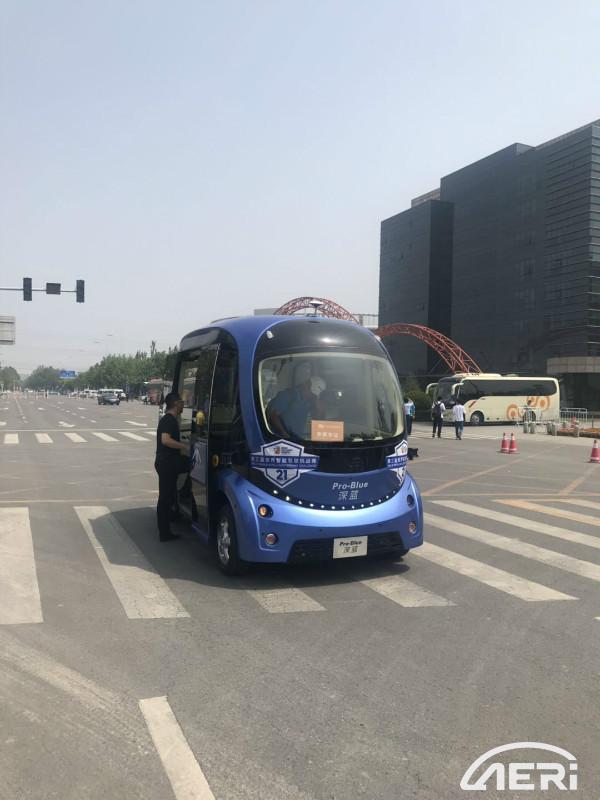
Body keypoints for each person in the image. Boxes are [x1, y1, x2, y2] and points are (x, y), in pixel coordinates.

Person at [155, 392, 187, 542]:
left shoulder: (170, 419)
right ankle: (164, 532)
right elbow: (166, 440)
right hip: (166, 464)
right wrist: (184, 446)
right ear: (176, 404)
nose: (183, 405)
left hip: (168, 463)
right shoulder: (169, 420)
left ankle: (173, 516)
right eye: (181, 402)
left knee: (169, 495)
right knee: (165, 498)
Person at [267, 361, 323, 439]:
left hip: (298, 439)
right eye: (311, 392)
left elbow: (317, 419)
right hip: (283, 440)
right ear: (306, 385)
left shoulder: (308, 401)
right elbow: (273, 415)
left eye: (313, 394)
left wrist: (317, 404)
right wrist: (285, 435)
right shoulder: (287, 395)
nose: (311, 395)